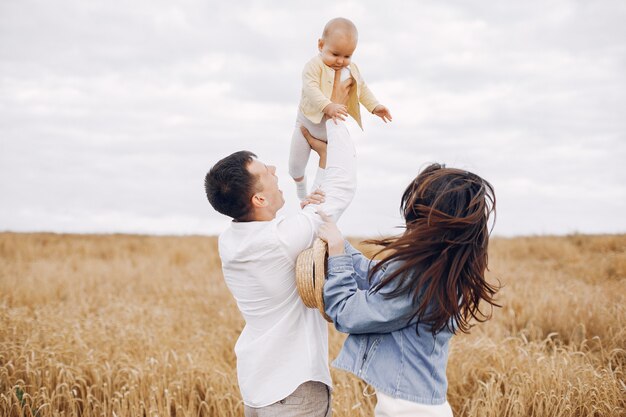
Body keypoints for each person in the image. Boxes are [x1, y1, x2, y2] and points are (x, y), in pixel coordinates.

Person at [203, 71, 356, 417]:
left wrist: (312, 187)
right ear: (258, 198)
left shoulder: (231, 240)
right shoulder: (279, 239)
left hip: (259, 388)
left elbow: (307, 216)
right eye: (264, 171)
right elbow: (342, 188)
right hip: (295, 391)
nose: (274, 168)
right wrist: (335, 117)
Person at [317, 163, 500, 417]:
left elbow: (349, 314)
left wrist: (337, 254)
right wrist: (334, 239)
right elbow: (378, 277)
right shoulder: (435, 269)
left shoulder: (420, 278)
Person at [289, 17, 392, 200]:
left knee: (327, 168)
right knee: (295, 166)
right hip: (306, 123)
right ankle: (300, 184)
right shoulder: (314, 66)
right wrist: (328, 105)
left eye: (347, 56)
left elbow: (362, 89)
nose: (340, 61)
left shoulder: (351, 70)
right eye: (335, 54)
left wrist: (375, 106)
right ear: (321, 45)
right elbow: (310, 88)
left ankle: (313, 198)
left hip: (329, 131)